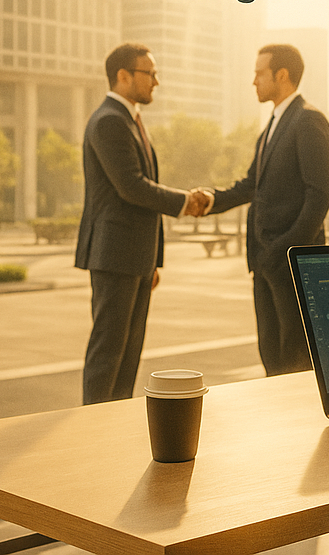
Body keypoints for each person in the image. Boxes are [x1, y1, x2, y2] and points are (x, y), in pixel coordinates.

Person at [75, 43, 207, 403]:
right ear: (123, 75)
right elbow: (131, 187)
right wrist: (185, 201)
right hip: (115, 256)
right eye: (150, 74)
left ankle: (114, 422)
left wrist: (152, 261)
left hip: (134, 258)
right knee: (109, 353)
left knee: (128, 355)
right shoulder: (109, 121)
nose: (156, 82)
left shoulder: (129, 120)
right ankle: (94, 425)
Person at [202, 44, 329, 375]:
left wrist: (286, 249)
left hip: (290, 262)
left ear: (282, 75)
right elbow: (252, 185)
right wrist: (211, 201)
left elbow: (319, 195)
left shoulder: (308, 120)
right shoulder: (271, 127)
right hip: (265, 261)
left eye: (259, 73)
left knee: (296, 359)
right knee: (272, 356)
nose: (254, 81)